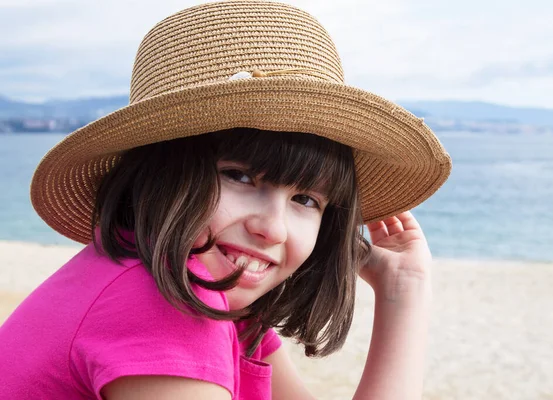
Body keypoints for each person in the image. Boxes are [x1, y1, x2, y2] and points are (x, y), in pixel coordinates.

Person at [0, 1, 451, 399]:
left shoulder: (216, 305)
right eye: (239, 176)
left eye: (307, 200)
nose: (272, 228)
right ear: (157, 176)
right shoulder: (155, 305)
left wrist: (404, 289)